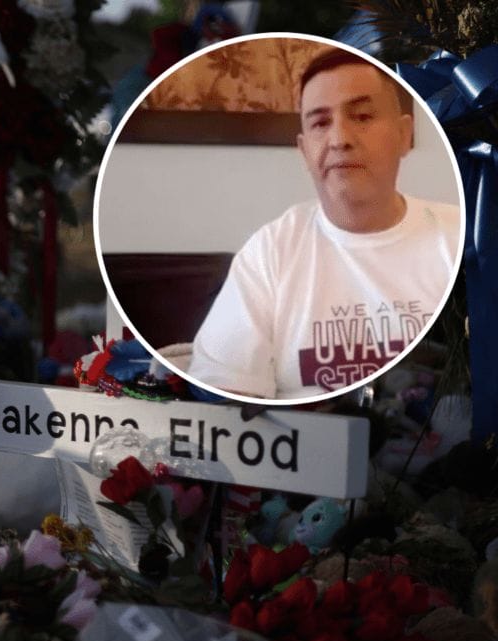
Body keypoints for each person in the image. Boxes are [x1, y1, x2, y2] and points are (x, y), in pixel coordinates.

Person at [186, 48, 461, 400]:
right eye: (319, 123)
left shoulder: (461, 238)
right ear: (304, 151)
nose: (340, 139)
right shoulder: (270, 252)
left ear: (404, 135)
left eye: (362, 116)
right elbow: (223, 395)